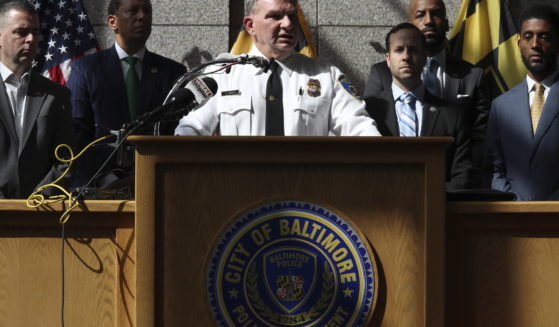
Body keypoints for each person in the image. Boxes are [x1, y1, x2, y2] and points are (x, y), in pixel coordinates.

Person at [175, 0, 380, 136]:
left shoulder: (326, 75)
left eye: (292, 16)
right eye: (275, 17)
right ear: (250, 25)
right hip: (239, 192)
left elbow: (361, 130)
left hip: (305, 196)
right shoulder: (222, 74)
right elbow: (189, 130)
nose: (288, 24)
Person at [363, 0, 489, 187]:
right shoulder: (381, 73)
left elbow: (479, 141)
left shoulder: (472, 76)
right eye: (420, 15)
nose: (429, 21)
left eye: (436, 14)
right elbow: (369, 129)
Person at [68, 0, 186, 187]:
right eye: (133, 11)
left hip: (158, 182)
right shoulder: (86, 69)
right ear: (112, 21)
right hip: (100, 187)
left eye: (147, 11)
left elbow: (178, 133)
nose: (142, 16)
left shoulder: (173, 73)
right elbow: (77, 134)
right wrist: (97, 184)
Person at [0, 0, 74, 198]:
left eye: (36, 32)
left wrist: (40, 198)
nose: (31, 39)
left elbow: (65, 159)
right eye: (21, 32)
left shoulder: (56, 95)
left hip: (39, 213)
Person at [487, 4, 559, 201]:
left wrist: (549, 207)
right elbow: (493, 168)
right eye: (528, 36)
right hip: (513, 219)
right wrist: (514, 203)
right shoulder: (500, 106)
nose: (535, 44)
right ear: (518, 43)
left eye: (544, 36)